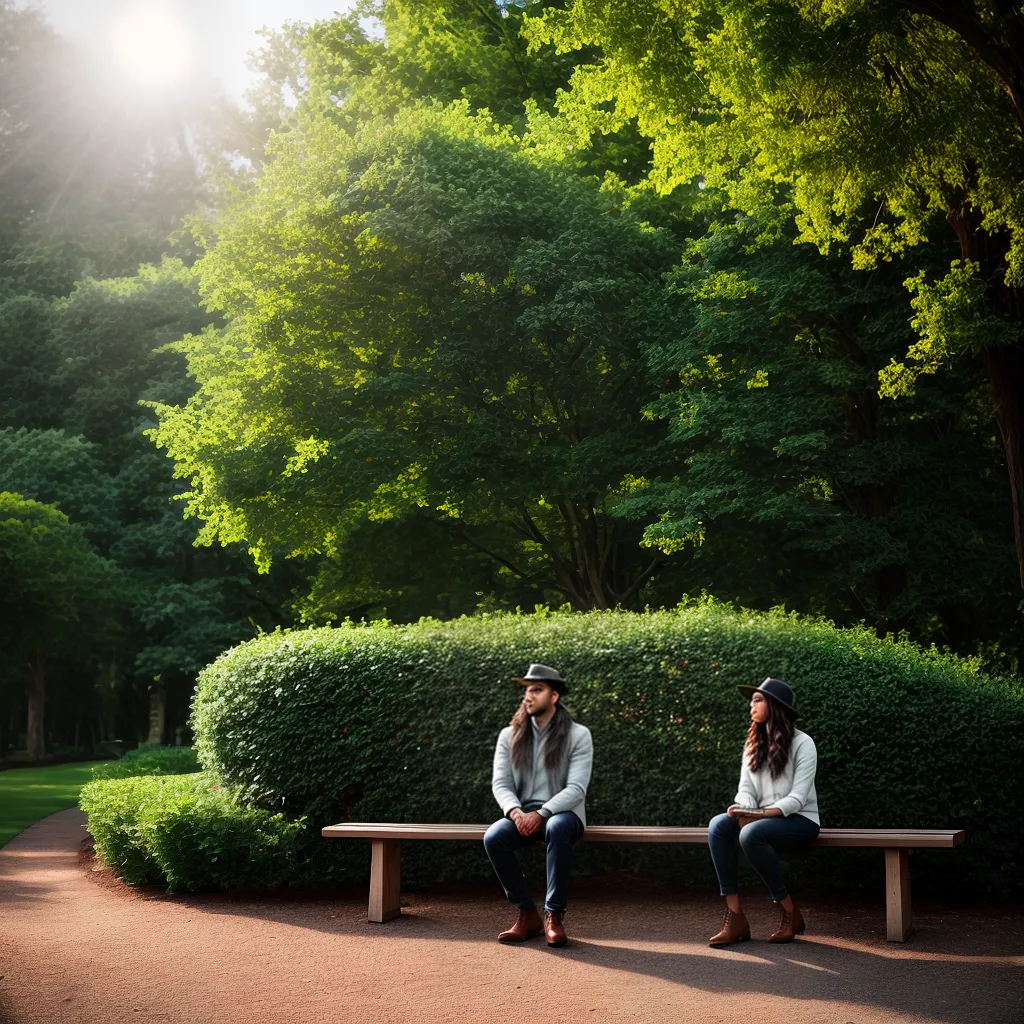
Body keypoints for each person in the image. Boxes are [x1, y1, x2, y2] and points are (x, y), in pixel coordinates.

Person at [483, 663, 593, 948]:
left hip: (563, 814)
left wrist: (542, 813)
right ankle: (527, 914)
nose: (528, 696)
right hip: (522, 813)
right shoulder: (509, 735)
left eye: (536, 689)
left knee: (556, 826)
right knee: (494, 837)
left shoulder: (578, 735)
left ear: (554, 696)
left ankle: (553, 915)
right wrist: (515, 812)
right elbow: (501, 784)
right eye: (527, 690)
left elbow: (577, 789)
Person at [706, 677, 820, 947]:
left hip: (800, 820)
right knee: (718, 826)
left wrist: (758, 814)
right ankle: (735, 917)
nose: (751, 706)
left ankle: (790, 912)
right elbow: (745, 790)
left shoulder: (803, 743)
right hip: (760, 818)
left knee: (751, 834)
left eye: (757, 700)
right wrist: (743, 808)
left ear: (775, 705)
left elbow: (797, 799)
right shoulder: (752, 745)